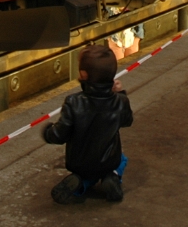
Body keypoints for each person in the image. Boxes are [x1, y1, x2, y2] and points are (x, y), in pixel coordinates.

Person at [43, 45, 133, 204]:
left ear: (83, 74)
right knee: (122, 160)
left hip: (79, 163)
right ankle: (112, 177)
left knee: (87, 175)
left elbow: (60, 134)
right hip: (108, 161)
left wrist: (48, 131)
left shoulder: (73, 102)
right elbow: (127, 121)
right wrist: (120, 94)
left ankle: (80, 185)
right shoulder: (120, 101)